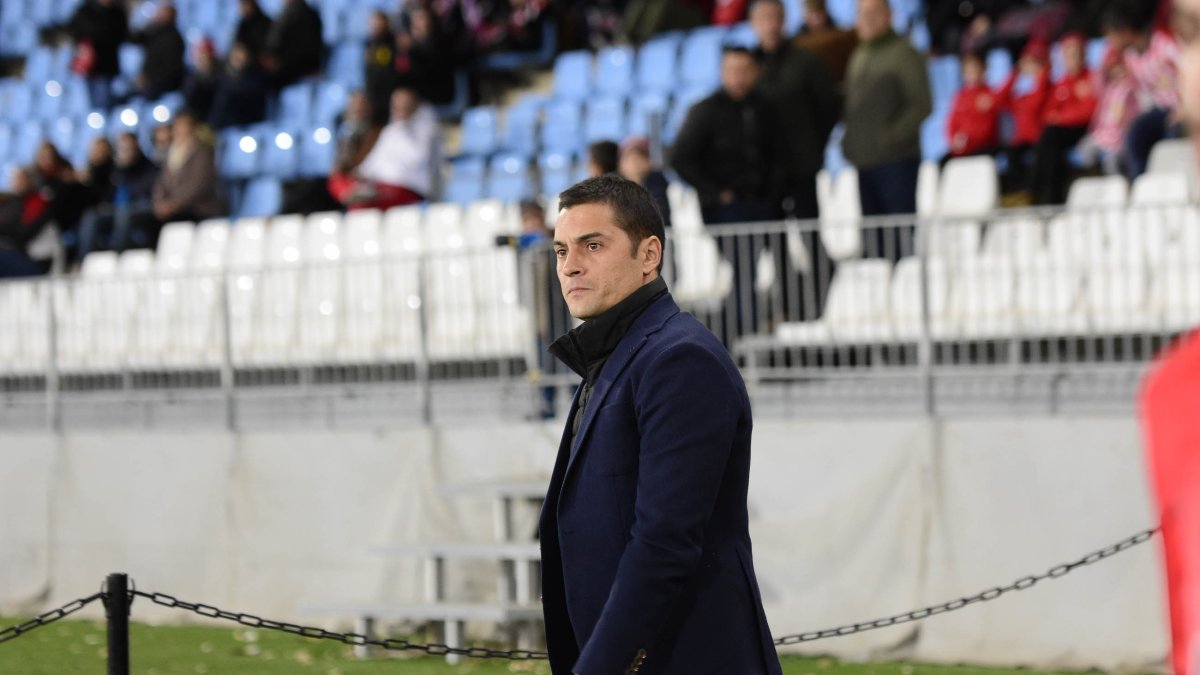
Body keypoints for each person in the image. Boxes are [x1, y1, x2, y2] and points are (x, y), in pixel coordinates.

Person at [540, 174, 782, 675]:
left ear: (649, 255)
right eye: (561, 250)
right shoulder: (617, 351)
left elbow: (664, 542)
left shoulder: (680, 359)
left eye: (593, 245)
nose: (570, 265)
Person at [842, 0, 931, 261]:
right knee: (874, 240)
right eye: (862, 14)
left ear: (889, 16)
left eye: (873, 13)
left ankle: (906, 296)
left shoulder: (904, 53)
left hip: (897, 161)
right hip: (865, 161)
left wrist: (891, 137)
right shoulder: (860, 54)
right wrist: (850, 141)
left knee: (899, 238)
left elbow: (921, 104)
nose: (867, 19)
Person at [671, 46, 782, 225]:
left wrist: (775, 192)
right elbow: (680, 159)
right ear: (722, 72)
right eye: (732, 70)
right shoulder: (705, 110)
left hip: (765, 204)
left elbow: (779, 154)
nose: (739, 76)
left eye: (745, 70)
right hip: (723, 210)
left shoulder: (766, 107)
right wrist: (717, 193)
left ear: (756, 72)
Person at [750, 0, 838, 221]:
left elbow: (828, 106)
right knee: (772, 235)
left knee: (810, 227)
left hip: (802, 163)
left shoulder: (806, 60)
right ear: (753, 23)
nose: (770, 25)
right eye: (764, 18)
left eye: (775, 17)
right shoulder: (748, 65)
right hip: (764, 169)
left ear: (784, 21)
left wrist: (815, 146)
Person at [327, 87, 440, 210]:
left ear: (414, 106)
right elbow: (374, 161)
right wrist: (360, 174)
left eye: (405, 105)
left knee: (364, 203)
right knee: (339, 179)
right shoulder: (389, 131)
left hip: (409, 189)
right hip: (380, 185)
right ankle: (349, 194)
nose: (400, 109)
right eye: (396, 106)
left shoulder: (426, 132)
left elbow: (418, 161)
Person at [1105, 0, 1182, 177]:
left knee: (1174, 132)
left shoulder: (1164, 43)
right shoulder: (1131, 57)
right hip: (1160, 111)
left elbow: (1188, 73)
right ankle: (1141, 183)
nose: (1109, 42)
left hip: (1183, 110)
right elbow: (1143, 93)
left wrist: (1184, 108)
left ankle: (1174, 181)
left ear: (1125, 31)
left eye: (1111, 35)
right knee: (1135, 132)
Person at [1030, 32, 1098, 205]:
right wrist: (1043, 75)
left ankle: (1036, 192)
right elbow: (1044, 112)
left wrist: (1061, 118)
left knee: (1050, 137)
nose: (1072, 57)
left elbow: (1088, 111)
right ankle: (1050, 197)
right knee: (1051, 148)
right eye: (1068, 53)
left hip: (1084, 129)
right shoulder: (1061, 83)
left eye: (1075, 52)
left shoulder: (1092, 78)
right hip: (1061, 133)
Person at [76, 132, 161, 260]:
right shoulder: (116, 170)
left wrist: (128, 170)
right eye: (122, 148)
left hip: (140, 206)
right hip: (116, 209)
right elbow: (105, 195)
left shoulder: (147, 167)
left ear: (137, 147)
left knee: (123, 214)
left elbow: (144, 191)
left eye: (129, 148)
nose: (126, 151)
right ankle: (84, 261)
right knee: (92, 216)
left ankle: (118, 257)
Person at [151, 111, 226, 229]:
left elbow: (198, 185)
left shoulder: (202, 153)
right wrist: (159, 203)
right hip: (175, 211)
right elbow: (161, 183)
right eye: (178, 126)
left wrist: (173, 204)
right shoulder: (171, 153)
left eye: (184, 126)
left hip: (199, 210)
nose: (181, 130)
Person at [996, 39, 1050, 197]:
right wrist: (1015, 74)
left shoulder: (1045, 87)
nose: (1030, 67)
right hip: (1022, 140)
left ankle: (1034, 194)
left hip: (1039, 139)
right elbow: (999, 100)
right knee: (1012, 153)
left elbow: (1038, 102)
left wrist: (1041, 75)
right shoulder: (1021, 94)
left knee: (1040, 156)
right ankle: (1018, 193)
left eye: (1034, 62)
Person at [1077, 48, 1141, 175]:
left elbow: (1134, 115)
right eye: (1113, 68)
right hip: (1102, 134)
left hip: (1121, 136)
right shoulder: (1109, 88)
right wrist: (1104, 64)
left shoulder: (1132, 88)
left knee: (1111, 160)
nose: (1117, 71)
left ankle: (1117, 189)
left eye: (1120, 66)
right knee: (1084, 149)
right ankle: (1094, 179)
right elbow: (1097, 81)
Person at [67, 0, 128, 111]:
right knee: (91, 101)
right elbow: (74, 30)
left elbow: (122, 35)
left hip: (106, 65)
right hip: (89, 66)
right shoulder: (85, 10)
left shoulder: (117, 13)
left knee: (102, 102)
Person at [947, 50, 1001, 160]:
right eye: (967, 70)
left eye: (974, 68)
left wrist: (968, 140)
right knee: (940, 164)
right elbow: (952, 122)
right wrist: (954, 139)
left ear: (983, 69)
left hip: (982, 147)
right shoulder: (960, 96)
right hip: (962, 147)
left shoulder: (989, 95)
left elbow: (987, 128)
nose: (971, 73)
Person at [127, 2, 186, 100]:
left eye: (163, 13)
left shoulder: (175, 39)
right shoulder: (154, 32)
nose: (159, 15)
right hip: (147, 82)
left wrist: (149, 80)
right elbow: (134, 38)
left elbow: (171, 68)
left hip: (162, 86)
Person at [0, 167, 51, 278]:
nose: (16, 183)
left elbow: (23, 233)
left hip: (31, 259)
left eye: (20, 179)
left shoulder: (37, 203)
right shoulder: (10, 203)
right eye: (14, 179)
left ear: (31, 180)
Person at [263, 0, 325, 89]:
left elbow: (274, 45)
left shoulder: (292, 15)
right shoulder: (311, 14)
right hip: (302, 65)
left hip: (294, 68)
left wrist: (276, 60)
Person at [793, 0, 858, 84]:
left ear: (824, 11)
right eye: (811, 12)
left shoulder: (840, 37)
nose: (816, 18)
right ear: (805, 14)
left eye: (818, 12)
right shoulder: (798, 42)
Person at [208, 42, 269, 129]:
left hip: (243, 128)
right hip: (217, 125)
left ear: (248, 58)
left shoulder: (255, 81)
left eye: (241, 54)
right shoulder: (218, 75)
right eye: (235, 53)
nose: (238, 57)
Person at [618, 136, 671, 228]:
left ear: (649, 162)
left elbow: (661, 214)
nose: (635, 164)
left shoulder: (657, 182)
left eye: (639, 158)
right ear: (621, 164)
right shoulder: (615, 187)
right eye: (630, 159)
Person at [364, 10, 399, 125]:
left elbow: (388, 69)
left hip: (389, 94)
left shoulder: (394, 43)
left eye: (379, 22)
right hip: (374, 95)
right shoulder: (369, 43)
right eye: (374, 22)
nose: (376, 25)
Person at [182, 38, 221, 122]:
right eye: (199, 56)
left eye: (205, 56)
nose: (202, 60)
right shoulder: (189, 78)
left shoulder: (220, 78)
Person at [233, 0, 273, 64]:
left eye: (244, 4)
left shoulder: (265, 23)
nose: (241, 8)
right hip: (246, 65)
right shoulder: (243, 25)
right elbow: (237, 45)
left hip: (261, 64)